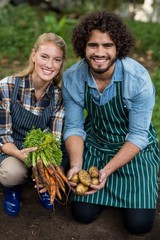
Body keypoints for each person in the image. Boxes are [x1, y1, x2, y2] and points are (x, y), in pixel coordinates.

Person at [62, 11, 160, 235]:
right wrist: (76, 165)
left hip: (134, 150)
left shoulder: (137, 79)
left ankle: (121, 188)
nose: (99, 52)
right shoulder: (72, 78)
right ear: (82, 47)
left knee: (139, 226)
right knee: (82, 215)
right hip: (96, 143)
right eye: (92, 45)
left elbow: (137, 136)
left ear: (119, 48)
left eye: (107, 45)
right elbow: (75, 128)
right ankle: (106, 194)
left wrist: (104, 172)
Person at [0, 32, 66, 216]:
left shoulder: (59, 96)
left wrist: (46, 165)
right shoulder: (7, 87)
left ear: (61, 64)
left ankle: (44, 185)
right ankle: (12, 188)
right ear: (34, 55)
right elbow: (3, 136)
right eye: (44, 57)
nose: (49, 65)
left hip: (39, 149)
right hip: (11, 148)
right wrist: (22, 156)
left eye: (57, 60)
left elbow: (54, 138)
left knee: (59, 167)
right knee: (13, 173)